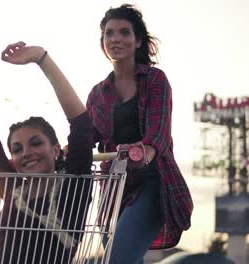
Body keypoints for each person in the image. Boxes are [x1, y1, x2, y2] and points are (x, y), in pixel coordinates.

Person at [0, 32, 94, 263]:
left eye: (36, 143)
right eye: (17, 149)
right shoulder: (12, 189)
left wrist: (41, 58)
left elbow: (82, 126)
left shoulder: (72, 188)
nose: (26, 152)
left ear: (55, 150)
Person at [86, 4, 193, 263]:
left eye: (124, 32)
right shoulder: (98, 93)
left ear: (137, 41)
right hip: (113, 188)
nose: (116, 39)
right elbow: (87, 135)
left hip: (152, 181)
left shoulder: (155, 80)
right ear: (102, 42)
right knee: (124, 258)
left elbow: (158, 133)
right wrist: (64, 150)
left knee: (118, 259)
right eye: (109, 34)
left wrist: (145, 151)